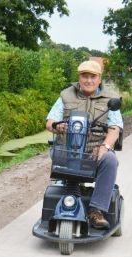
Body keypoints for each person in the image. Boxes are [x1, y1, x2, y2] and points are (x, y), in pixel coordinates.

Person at [45, 60, 123, 230]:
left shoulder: (111, 99)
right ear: (79, 78)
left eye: (92, 76)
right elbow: (50, 121)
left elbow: (115, 128)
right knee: (58, 152)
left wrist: (104, 147)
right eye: (84, 76)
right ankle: (72, 191)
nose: (88, 80)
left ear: (99, 79)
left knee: (110, 160)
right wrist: (57, 126)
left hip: (94, 150)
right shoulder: (66, 95)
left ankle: (96, 211)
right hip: (68, 148)